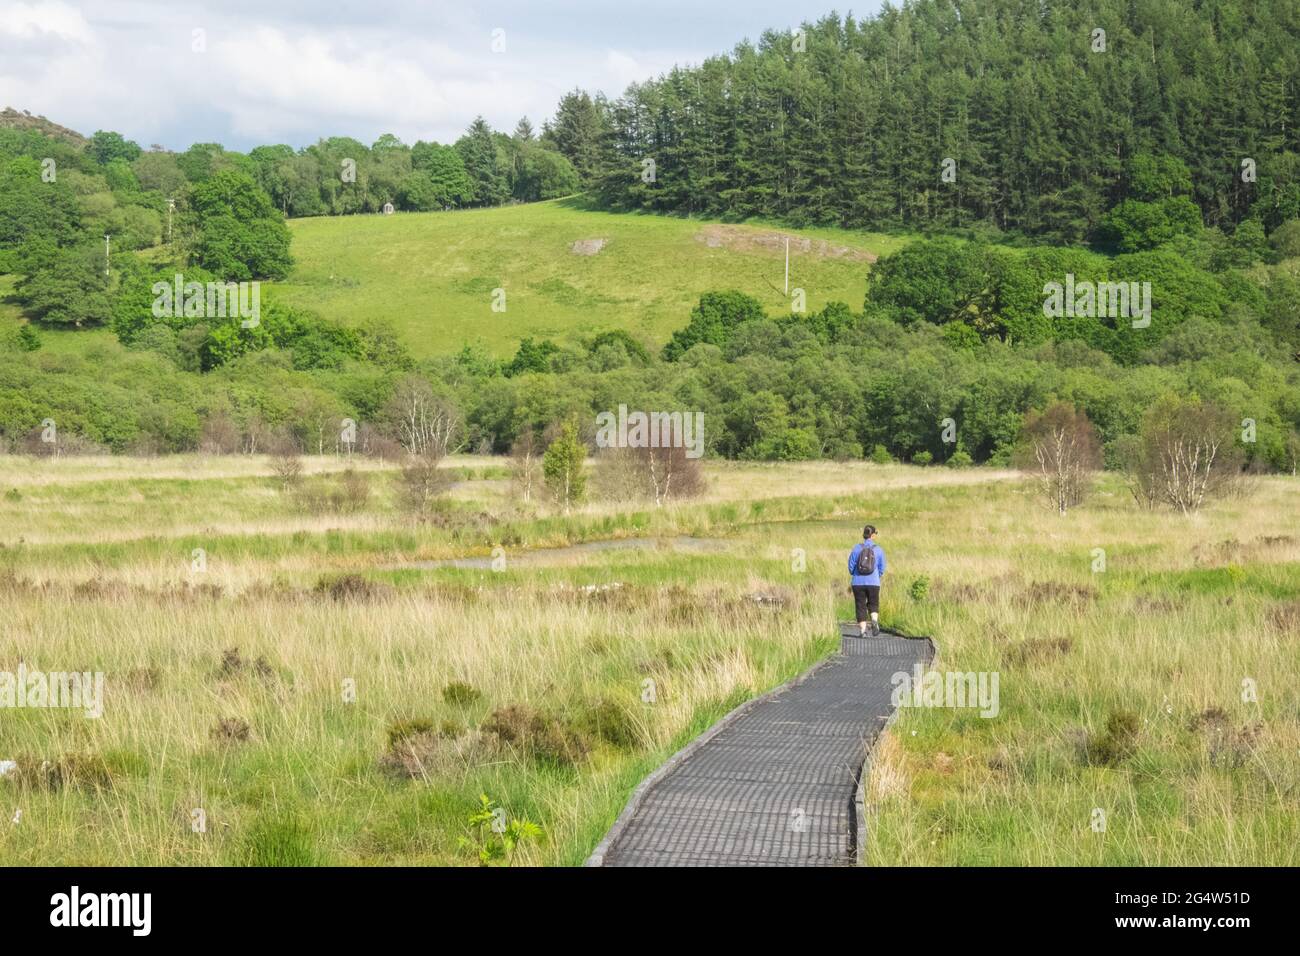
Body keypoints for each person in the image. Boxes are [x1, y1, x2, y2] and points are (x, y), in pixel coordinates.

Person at [848, 524, 886, 636]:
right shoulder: (878, 550)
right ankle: (874, 620)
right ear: (873, 535)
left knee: (860, 605)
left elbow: (851, 567)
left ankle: (863, 631)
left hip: (857, 582)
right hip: (873, 582)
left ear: (864, 535)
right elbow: (882, 568)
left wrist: (856, 573)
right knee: (873, 603)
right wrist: (876, 576)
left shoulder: (856, 548)